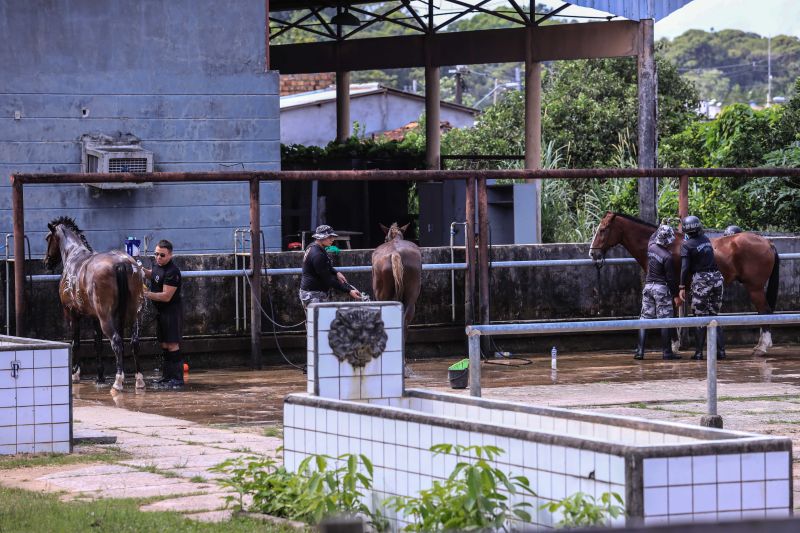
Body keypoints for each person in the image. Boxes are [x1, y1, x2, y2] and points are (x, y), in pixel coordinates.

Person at [680, 215, 726, 360]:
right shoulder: (706, 240)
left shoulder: (687, 245)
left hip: (702, 280)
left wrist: (681, 286)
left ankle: (699, 353)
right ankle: (721, 352)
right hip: (717, 279)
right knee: (714, 317)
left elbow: (684, 268)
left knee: (700, 318)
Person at [635, 224, 682, 360]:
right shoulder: (667, 256)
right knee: (665, 320)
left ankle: (639, 351)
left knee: (644, 319)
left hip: (648, 287)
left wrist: (661, 226)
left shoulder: (650, 247)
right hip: (661, 289)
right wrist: (676, 295)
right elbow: (671, 279)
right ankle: (667, 352)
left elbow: (653, 236)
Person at [143, 239, 184, 388]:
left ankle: (178, 379)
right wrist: (137, 267)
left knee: (173, 345)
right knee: (164, 344)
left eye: (162, 255)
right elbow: (152, 274)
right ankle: (167, 377)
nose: (158, 258)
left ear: (170, 255)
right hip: (160, 312)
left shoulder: (172, 272)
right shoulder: (156, 265)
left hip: (171, 312)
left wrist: (146, 294)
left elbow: (166, 296)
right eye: (156, 254)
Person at [299, 225, 362, 309]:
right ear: (321, 237)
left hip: (314, 292)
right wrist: (349, 290)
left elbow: (326, 266)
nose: (332, 239)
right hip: (312, 295)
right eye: (329, 237)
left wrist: (336, 273)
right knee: (319, 321)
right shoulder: (317, 254)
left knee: (314, 321)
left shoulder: (314, 246)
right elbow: (328, 279)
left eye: (332, 237)